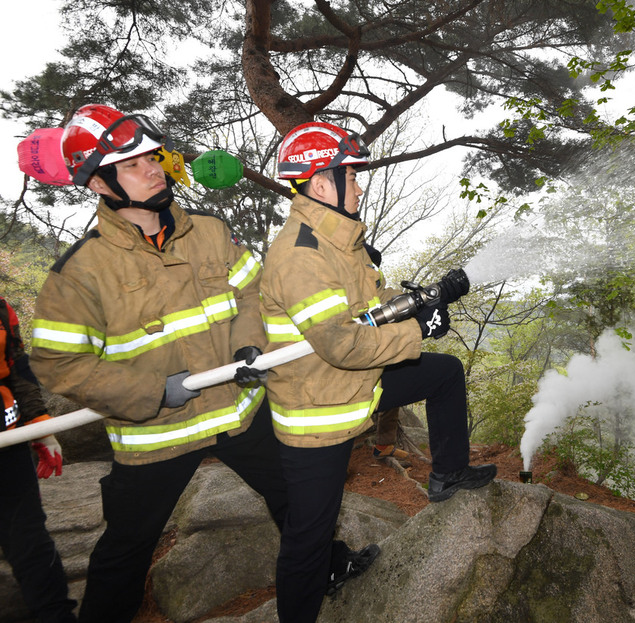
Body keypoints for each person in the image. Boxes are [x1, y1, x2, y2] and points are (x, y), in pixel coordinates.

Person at [27, 104, 372, 623]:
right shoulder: (79, 272)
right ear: (99, 184)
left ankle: (326, 567)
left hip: (238, 412)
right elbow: (59, 365)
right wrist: (150, 392)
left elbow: (252, 290)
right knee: (127, 547)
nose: (154, 170)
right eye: (134, 166)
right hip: (158, 434)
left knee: (297, 502)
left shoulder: (209, 232)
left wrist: (247, 346)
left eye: (153, 159)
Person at [261, 121, 497, 623]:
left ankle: (449, 475)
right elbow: (343, 342)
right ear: (321, 183)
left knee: (444, 373)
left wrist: (428, 298)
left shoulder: (336, 241)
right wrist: (418, 331)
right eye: (352, 175)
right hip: (319, 409)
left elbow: (367, 306)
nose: (361, 184)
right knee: (308, 538)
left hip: (353, 384)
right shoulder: (300, 255)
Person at [0, 295, 77, 623]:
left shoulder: (2, 310)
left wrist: (41, 429)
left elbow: (15, 367)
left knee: (28, 539)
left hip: (8, 445)